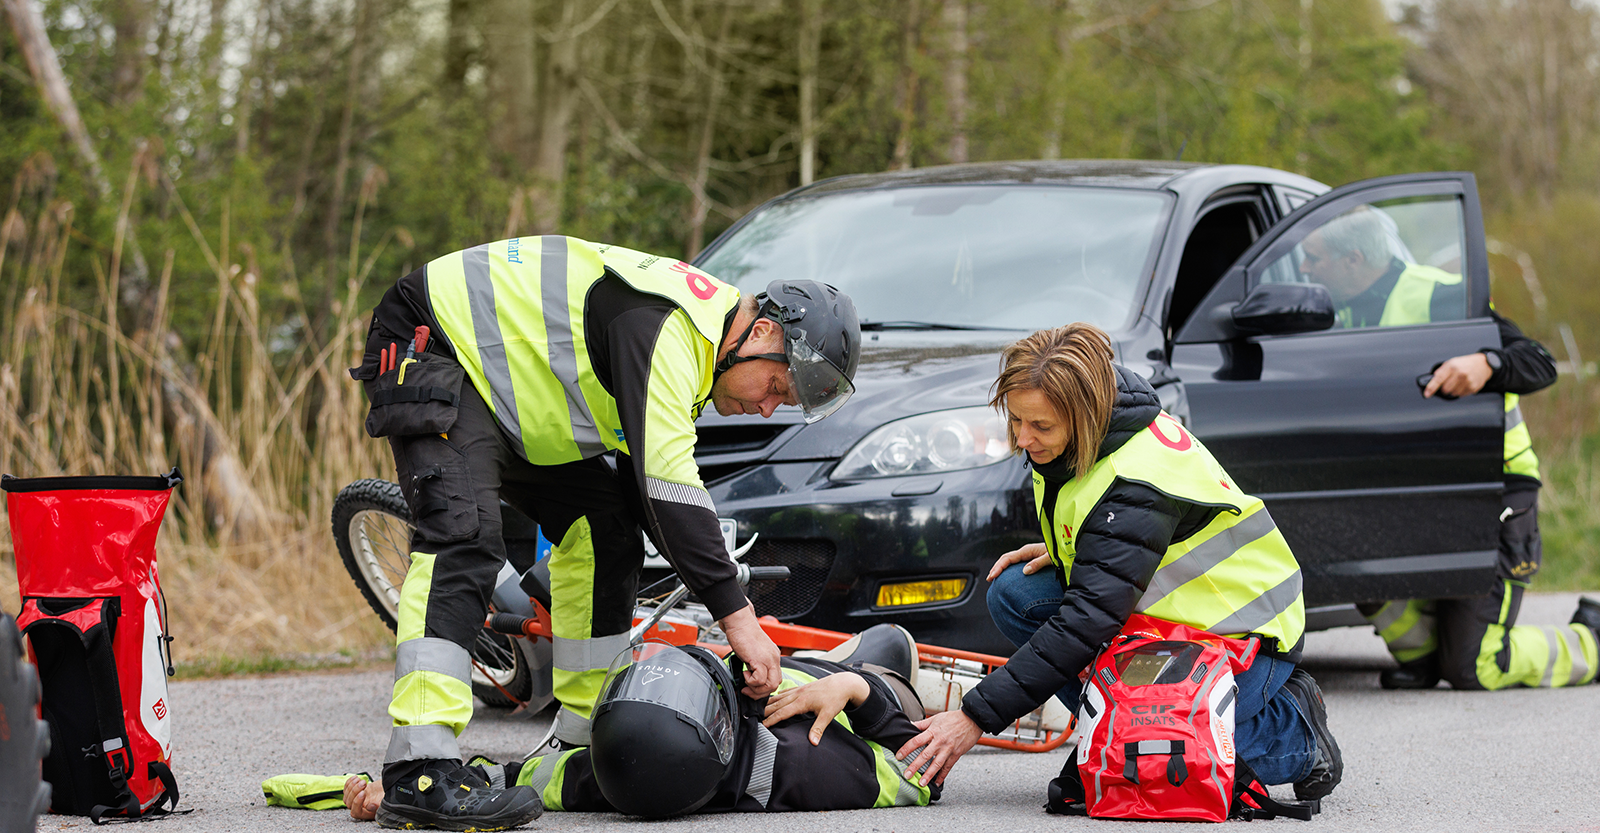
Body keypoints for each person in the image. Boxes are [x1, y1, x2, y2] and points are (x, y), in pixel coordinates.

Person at [349, 236, 861, 829]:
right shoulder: (668, 327)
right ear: (766, 333)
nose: (770, 408)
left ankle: (582, 738)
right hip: (432, 342)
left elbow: (651, 495)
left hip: (507, 395)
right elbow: (669, 490)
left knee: (606, 530)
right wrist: (738, 620)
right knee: (463, 539)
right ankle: (421, 770)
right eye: (777, 388)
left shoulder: (697, 344)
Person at [897, 323, 1341, 803]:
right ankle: (1111, 730)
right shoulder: (1091, 433)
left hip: (1241, 638)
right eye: (1017, 421)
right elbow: (1116, 544)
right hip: (1166, 622)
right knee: (1015, 593)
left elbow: (1085, 621)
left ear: (1085, 415)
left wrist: (973, 718)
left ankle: (1296, 731)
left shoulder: (1136, 480)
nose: (1023, 439)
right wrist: (1075, 550)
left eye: (1040, 426)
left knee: (1169, 760)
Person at [1299, 209, 1599, 690]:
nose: (1304, 272)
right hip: (1411, 492)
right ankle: (1422, 656)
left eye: (1313, 260)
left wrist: (1487, 362)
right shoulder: (1341, 312)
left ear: (1352, 260)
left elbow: (1538, 362)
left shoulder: (1439, 294)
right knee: (1340, 545)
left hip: (1491, 491)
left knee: (1475, 667)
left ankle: (1592, 642)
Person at [341, 626, 937, 821]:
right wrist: (857, 687)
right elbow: (923, 774)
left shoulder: (607, 772)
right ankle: (869, 666)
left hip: (755, 681)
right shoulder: (810, 766)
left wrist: (394, 794)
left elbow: (511, 775)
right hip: (857, 697)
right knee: (887, 645)